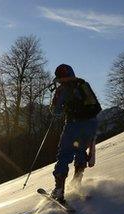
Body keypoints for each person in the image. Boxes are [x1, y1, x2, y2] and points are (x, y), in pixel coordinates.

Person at [50, 64, 101, 203]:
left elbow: (56, 112)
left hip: (74, 125)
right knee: (80, 151)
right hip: (91, 124)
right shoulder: (83, 84)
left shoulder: (62, 90)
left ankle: (59, 190)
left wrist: (56, 104)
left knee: (64, 154)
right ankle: (77, 183)